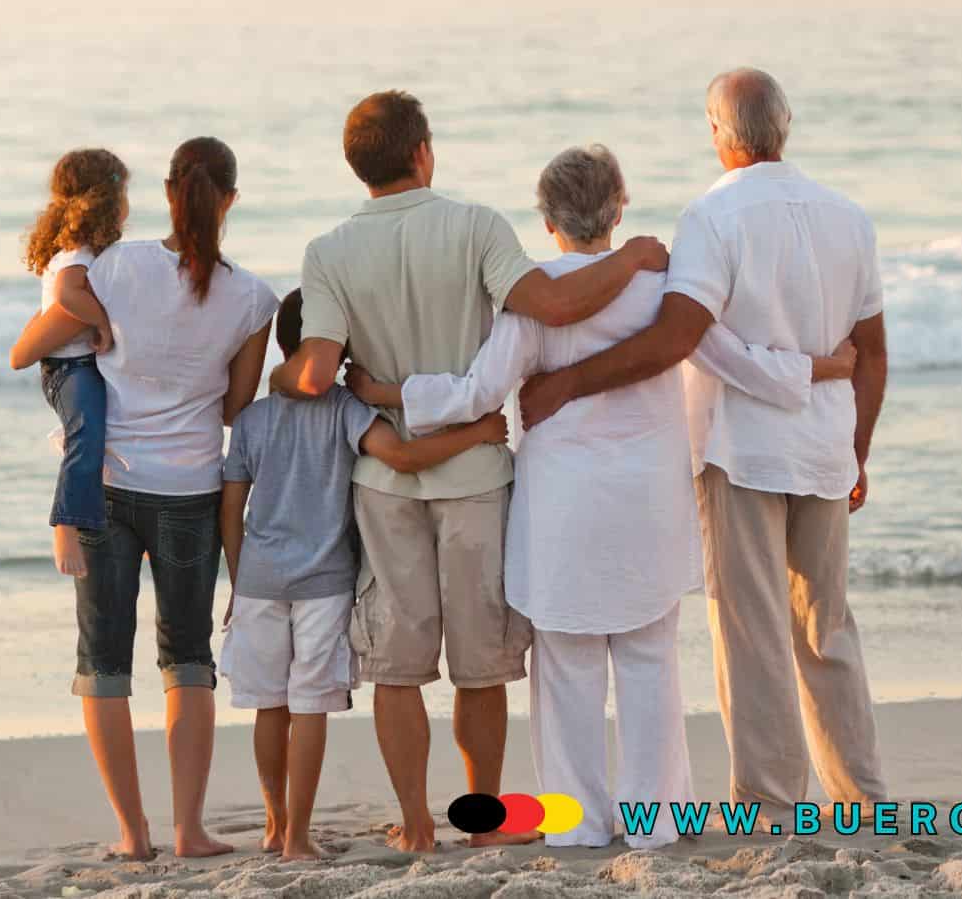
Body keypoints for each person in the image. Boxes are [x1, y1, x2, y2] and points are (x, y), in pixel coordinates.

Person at [347, 145, 857, 849]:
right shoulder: (661, 287)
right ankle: (655, 821)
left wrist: (387, 392)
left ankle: (578, 822)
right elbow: (730, 359)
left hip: (563, 507)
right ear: (619, 208)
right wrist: (822, 368)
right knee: (650, 662)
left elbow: (473, 393)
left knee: (567, 670)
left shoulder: (532, 300)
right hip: (647, 501)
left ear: (548, 220)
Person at [269, 90, 669, 852]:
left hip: (385, 483)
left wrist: (282, 384)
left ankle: (417, 824)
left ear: (359, 167)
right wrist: (635, 256)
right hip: (478, 474)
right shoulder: (477, 225)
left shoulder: (326, 252)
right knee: (479, 663)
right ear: (423, 152)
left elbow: (318, 370)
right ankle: (483, 824)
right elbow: (548, 303)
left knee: (397, 660)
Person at [519, 69, 890, 826]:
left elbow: (677, 336)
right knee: (828, 627)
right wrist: (859, 448)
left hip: (742, 450)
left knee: (751, 628)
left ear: (722, 135)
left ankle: (770, 801)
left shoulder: (712, 218)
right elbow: (874, 350)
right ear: (783, 126)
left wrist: (569, 383)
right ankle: (863, 798)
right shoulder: (849, 216)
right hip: (823, 450)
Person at [12, 136, 278, 860]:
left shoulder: (116, 264)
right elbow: (234, 406)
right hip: (189, 488)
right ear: (229, 201)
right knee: (187, 659)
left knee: (103, 661)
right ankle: (189, 830)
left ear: (167, 193)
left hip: (106, 486)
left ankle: (133, 835)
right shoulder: (253, 297)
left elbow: (53, 336)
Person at [219, 289, 513, 862]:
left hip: (257, 581)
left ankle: (275, 826)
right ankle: (299, 839)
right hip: (324, 583)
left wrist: (236, 577)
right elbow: (401, 457)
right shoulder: (346, 411)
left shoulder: (251, 420)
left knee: (269, 706)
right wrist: (476, 435)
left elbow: (232, 508)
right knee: (307, 706)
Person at [8, 148, 128, 577]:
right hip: (69, 368)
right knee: (88, 434)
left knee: (113, 438)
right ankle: (66, 522)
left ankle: (127, 520)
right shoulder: (76, 255)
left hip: (80, 365)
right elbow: (66, 297)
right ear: (107, 202)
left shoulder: (85, 252)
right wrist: (104, 326)